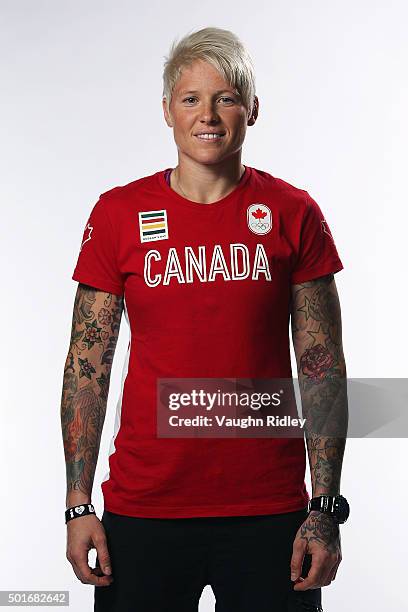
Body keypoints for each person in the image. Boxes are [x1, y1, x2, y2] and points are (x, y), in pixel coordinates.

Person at [61, 26, 349, 612]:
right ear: (167, 110)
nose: (209, 114)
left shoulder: (295, 214)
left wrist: (324, 507)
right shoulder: (118, 214)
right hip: (145, 509)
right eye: (191, 98)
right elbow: (87, 364)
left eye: (226, 97)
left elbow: (321, 366)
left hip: (270, 512)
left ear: (252, 109)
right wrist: (78, 502)